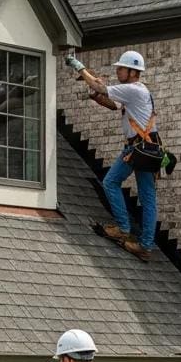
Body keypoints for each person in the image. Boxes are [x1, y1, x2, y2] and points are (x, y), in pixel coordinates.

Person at [66, 50, 159, 261]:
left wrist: (79, 67)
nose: (117, 71)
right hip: (139, 148)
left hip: (140, 148)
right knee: (128, 189)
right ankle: (130, 233)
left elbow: (101, 88)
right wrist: (95, 94)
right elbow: (112, 104)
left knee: (131, 190)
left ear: (132, 71)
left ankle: (139, 241)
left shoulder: (135, 90)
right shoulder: (133, 91)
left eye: (121, 68)